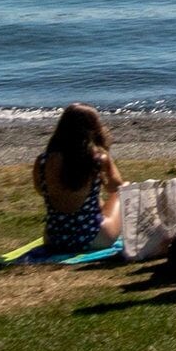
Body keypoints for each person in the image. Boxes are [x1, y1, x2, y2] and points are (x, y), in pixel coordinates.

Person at [32, 103, 124, 254]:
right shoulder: (97, 159)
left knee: (95, 200)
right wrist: (106, 154)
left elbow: (40, 190)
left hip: (54, 239)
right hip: (92, 238)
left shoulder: (42, 160)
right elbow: (116, 187)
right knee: (121, 193)